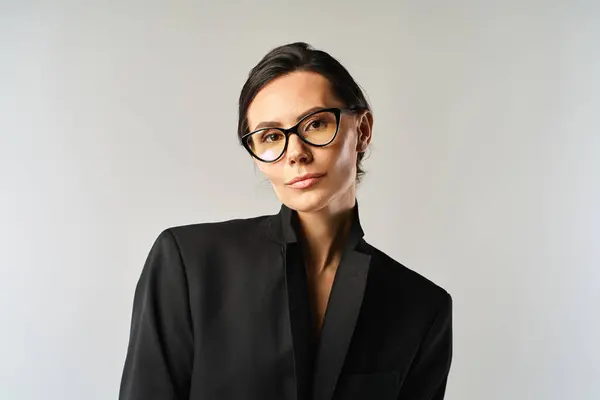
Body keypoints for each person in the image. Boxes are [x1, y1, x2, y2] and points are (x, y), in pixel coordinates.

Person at [118, 42, 453, 400]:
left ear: (363, 130)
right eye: (271, 137)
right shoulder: (188, 263)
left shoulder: (421, 306)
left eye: (316, 123)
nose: (296, 154)